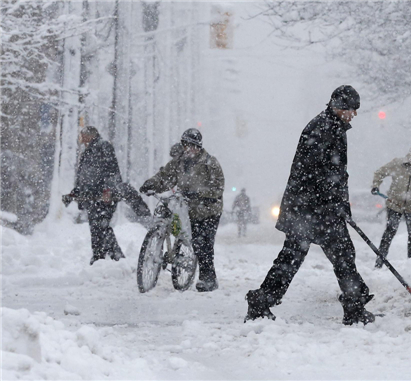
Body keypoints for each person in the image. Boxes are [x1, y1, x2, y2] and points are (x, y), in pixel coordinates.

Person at [245, 85, 375, 326]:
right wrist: (332, 202)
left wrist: (341, 203)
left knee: (294, 257)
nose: (354, 114)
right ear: (341, 107)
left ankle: (261, 301)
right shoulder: (323, 128)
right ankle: (354, 308)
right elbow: (315, 173)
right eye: (353, 109)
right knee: (341, 256)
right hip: (313, 210)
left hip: (311, 209)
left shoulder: (331, 126)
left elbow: (335, 174)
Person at [139, 129, 225, 292]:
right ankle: (172, 246)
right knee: (175, 224)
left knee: (203, 244)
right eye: (185, 145)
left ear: (198, 146)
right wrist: (151, 183)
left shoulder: (210, 163)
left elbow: (218, 188)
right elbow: (164, 176)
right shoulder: (178, 162)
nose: (188, 149)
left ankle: (208, 278)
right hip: (188, 206)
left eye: (192, 146)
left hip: (208, 210)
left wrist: (200, 193)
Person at [62, 126, 128, 265]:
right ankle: (100, 257)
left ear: (90, 135)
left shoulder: (103, 146)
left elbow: (112, 170)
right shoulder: (88, 151)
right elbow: (84, 177)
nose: (81, 138)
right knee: (95, 227)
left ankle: (115, 256)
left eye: (83, 135)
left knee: (102, 225)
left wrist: (107, 191)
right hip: (92, 197)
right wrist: (75, 192)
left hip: (104, 196)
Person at [371, 145, 411, 267]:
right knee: (390, 231)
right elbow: (380, 172)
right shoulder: (397, 164)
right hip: (394, 203)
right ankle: (380, 261)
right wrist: (376, 185)